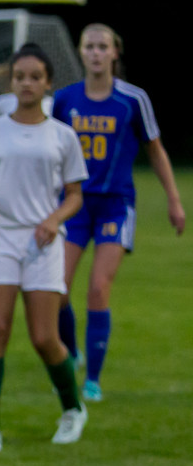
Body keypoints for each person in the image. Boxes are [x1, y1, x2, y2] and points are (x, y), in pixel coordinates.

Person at [0, 43, 89, 452]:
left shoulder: (62, 135)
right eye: (20, 77)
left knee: (44, 337)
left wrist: (53, 219)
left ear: (48, 83)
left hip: (42, 240)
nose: (27, 83)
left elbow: (74, 195)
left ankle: (73, 409)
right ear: (11, 82)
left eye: (35, 76)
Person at [52, 23, 186, 402]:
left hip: (115, 205)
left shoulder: (132, 100)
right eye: (89, 46)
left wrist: (174, 200)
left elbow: (156, 150)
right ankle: (72, 352)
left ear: (115, 53)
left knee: (98, 289)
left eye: (103, 47)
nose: (96, 53)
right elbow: (52, 153)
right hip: (74, 205)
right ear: (80, 52)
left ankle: (92, 380)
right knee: (58, 289)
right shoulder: (64, 101)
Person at [0, 56, 53, 120]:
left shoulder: (51, 103)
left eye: (35, 78)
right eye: (19, 78)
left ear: (48, 82)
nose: (27, 84)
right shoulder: (2, 101)